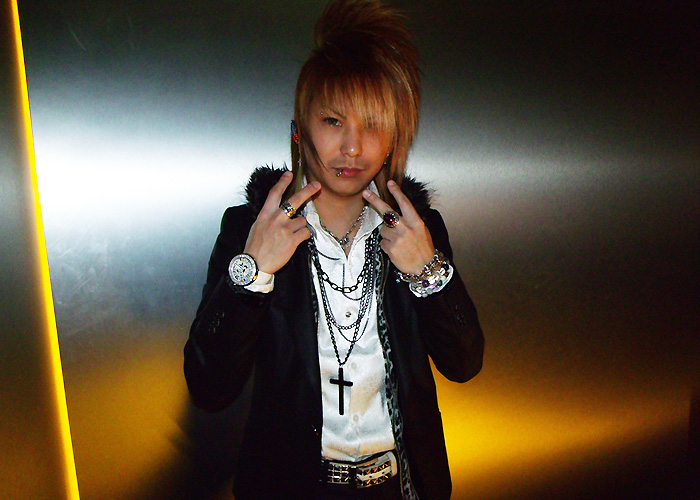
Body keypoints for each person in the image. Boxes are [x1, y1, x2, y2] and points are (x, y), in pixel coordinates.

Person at [184, 1, 484, 498]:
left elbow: (465, 363)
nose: (352, 147)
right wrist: (253, 272)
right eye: (332, 121)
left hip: (401, 486)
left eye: (372, 125)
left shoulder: (417, 229)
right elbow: (209, 386)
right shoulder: (251, 228)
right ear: (299, 132)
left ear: (393, 141)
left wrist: (427, 272)